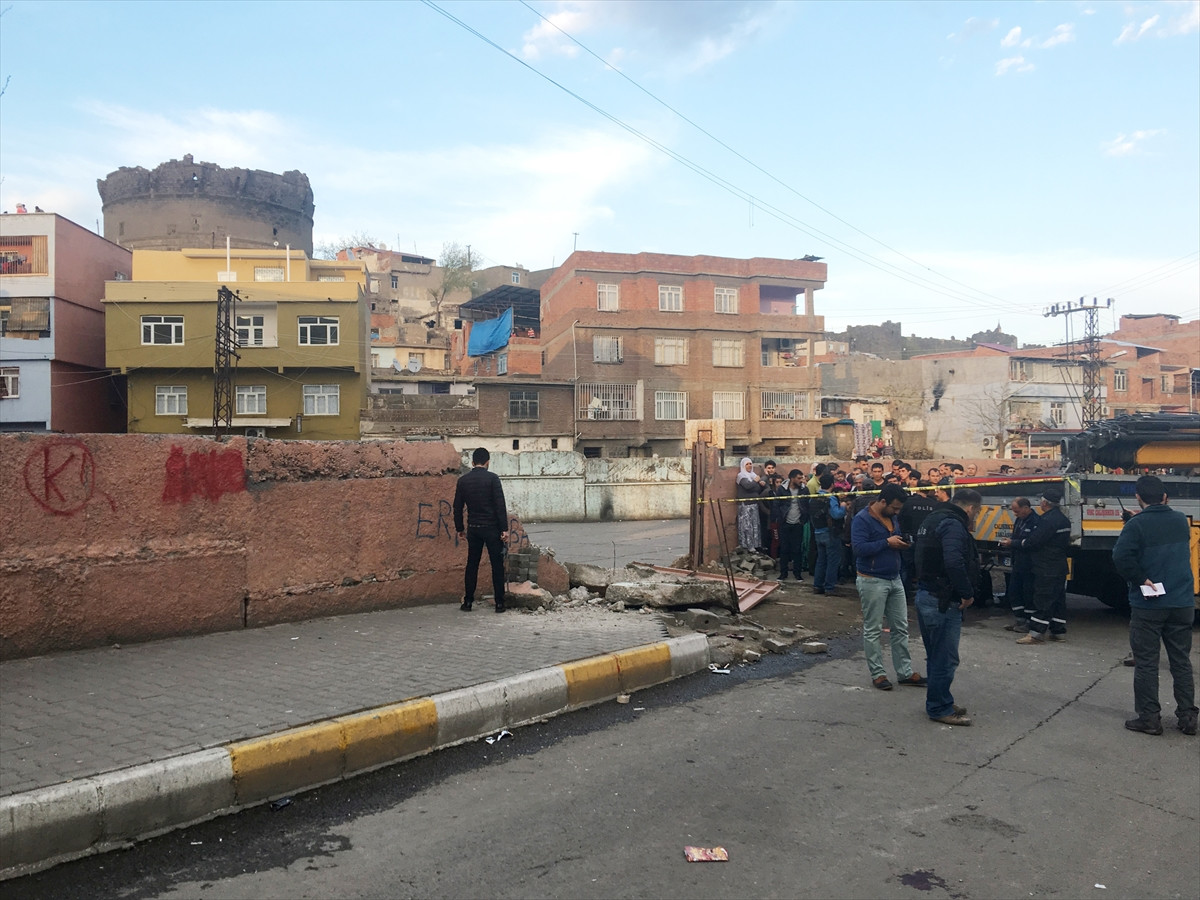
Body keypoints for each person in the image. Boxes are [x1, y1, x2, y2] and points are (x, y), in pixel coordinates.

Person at [1111, 476, 1197, 736]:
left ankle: (1149, 718)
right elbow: (1159, 528)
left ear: (1138, 497)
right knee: (1181, 661)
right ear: (1165, 497)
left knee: (1147, 662)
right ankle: (1188, 716)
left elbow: (1121, 557)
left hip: (1149, 604)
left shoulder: (1136, 526)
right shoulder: (1180, 521)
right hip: (1182, 602)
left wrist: (1141, 579)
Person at [914, 488, 983, 726]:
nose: (975, 517)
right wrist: (966, 593)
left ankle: (940, 699)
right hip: (942, 600)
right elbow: (954, 561)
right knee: (945, 658)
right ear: (971, 508)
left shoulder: (933, 518)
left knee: (936, 655)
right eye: (977, 512)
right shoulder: (953, 524)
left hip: (927, 594)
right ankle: (939, 708)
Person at [852, 483, 926, 691]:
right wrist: (887, 543)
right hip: (871, 579)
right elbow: (858, 548)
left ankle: (904, 672)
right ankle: (878, 674)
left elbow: (893, 538)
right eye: (894, 508)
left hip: (894, 578)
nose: (897, 512)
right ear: (882, 501)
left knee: (900, 627)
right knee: (873, 629)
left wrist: (901, 543)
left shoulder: (891, 517)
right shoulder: (862, 519)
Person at [453, 447, 511, 613]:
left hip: (474, 528)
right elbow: (500, 505)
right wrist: (504, 529)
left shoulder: (463, 481)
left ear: (472, 462)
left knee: (472, 564)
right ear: (487, 462)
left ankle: (468, 602)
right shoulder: (493, 479)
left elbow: (457, 507)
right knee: (497, 565)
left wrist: (460, 528)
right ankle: (499, 603)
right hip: (492, 529)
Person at [1015, 486, 1071, 644]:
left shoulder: (1046, 521)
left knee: (1043, 598)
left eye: (1041, 500)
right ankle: (1058, 631)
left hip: (1046, 566)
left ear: (1045, 503)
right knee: (1058, 599)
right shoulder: (1063, 519)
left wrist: (1017, 543)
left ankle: (1036, 634)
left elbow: (1034, 541)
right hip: (1059, 565)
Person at [999, 497, 1035, 632]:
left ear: (1026, 508)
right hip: (1018, 561)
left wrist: (1012, 543)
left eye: (1017, 511)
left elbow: (1031, 542)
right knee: (1014, 591)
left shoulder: (1035, 522)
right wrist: (1010, 542)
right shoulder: (1020, 520)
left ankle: (1029, 623)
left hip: (1029, 563)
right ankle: (1020, 620)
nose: (1015, 514)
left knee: (1028, 593)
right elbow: (1017, 537)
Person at [810, 472, 846, 595]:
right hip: (830, 533)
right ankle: (829, 587)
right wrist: (843, 506)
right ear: (832, 484)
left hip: (817, 532)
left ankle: (817, 585)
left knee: (821, 560)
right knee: (832, 561)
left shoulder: (813, 498)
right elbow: (836, 514)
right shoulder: (831, 498)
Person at [774, 468, 808, 581]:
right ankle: (783, 574)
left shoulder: (804, 490)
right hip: (785, 523)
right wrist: (780, 519)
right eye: (798, 478)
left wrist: (803, 520)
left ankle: (797, 574)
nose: (801, 480)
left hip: (798, 523)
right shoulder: (782, 489)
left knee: (797, 550)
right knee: (784, 549)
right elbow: (776, 505)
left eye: (801, 478)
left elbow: (807, 505)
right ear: (792, 478)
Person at [735, 458, 765, 551]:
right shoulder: (741, 476)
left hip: (754, 504)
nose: (749, 466)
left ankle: (755, 545)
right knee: (747, 525)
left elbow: (757, 489)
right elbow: (747, 486)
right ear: (743, 466)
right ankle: (747, 545)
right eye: (747, 464)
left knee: (755, 524)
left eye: (750, 464)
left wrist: (757, 483)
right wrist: (755, 482)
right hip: (745, 505)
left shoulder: (753, 475)